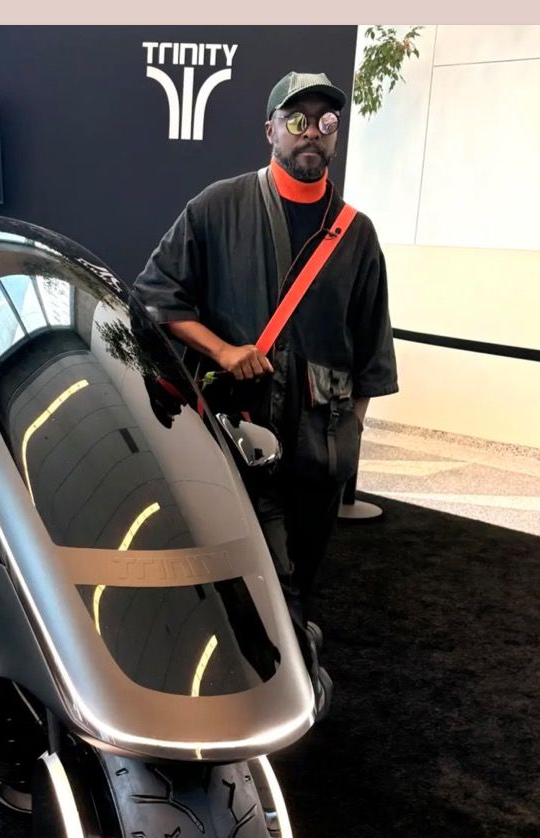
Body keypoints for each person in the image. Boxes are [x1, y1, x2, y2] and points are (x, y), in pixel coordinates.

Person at [133, 71, 398, 634]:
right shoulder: (217, 207)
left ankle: (290, 647)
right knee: (257, 572)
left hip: (320, 445)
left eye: (326, 123)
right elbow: (156, 298)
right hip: (238, 432)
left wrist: (347, 437)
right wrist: (224, 351)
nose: (312, 134)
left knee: (304, 570)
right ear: (271, 130)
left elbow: (372, 355)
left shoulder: (357, 234)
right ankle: (272, 665)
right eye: (297, 120)